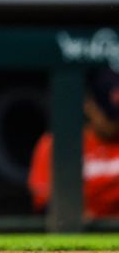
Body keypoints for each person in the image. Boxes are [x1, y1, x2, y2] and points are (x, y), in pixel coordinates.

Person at [28, 67, 119, 218]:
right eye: (109, 115)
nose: (116, 123)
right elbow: (42, 201)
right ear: (89, 105)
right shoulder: (59, 144)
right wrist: (72, 215)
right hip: (79, 234)